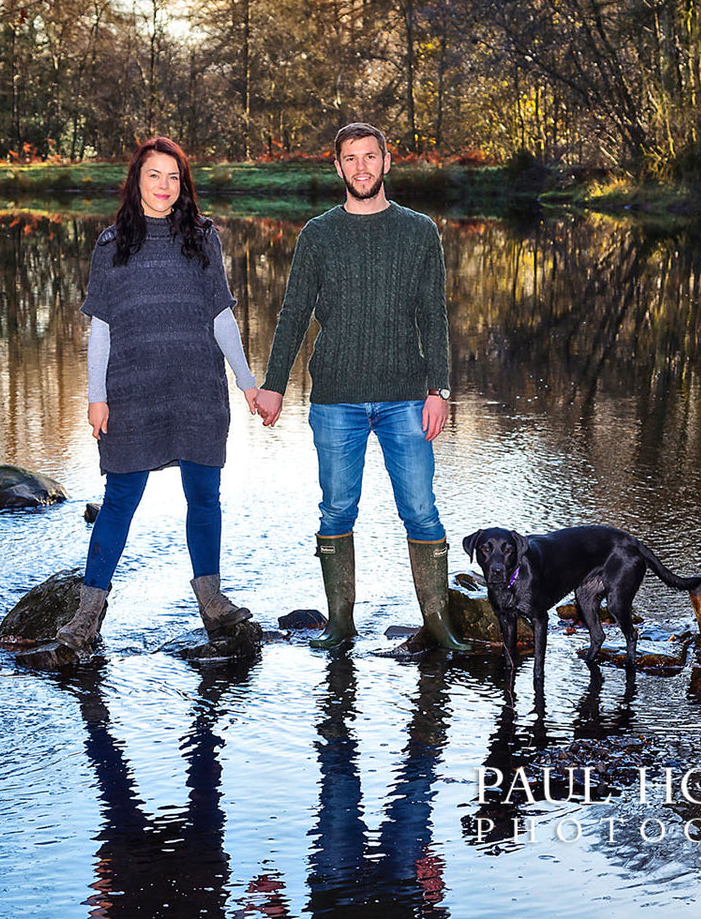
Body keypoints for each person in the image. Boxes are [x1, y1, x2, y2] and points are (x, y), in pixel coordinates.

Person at [254, 122, 468, 652]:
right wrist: (274, 384)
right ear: (338, 168)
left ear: (387, 161)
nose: (361, 168)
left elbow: (434, 315)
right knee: (336, 510)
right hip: (336, 399)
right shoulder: (318, 235)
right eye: (350, 159)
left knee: (420, 508)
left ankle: (438, 624)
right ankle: (340, 624)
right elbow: (293, 313)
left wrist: (439, 388)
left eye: (370, 157)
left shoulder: (420, 231)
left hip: (406, 398)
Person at [57, 136, 259, 653]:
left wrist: (247, 380)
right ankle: (88, 613)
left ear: (183, 184)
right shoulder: (111, 244)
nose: (165, 186)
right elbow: (99, 326)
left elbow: (221, 316)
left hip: (196, 387)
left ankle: (212, 602)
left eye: (174, 177)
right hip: (131, 390)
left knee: (204, 496)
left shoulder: (203, 237)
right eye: (154, 175)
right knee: (119, 501)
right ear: (137, 181)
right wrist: (95, 395)